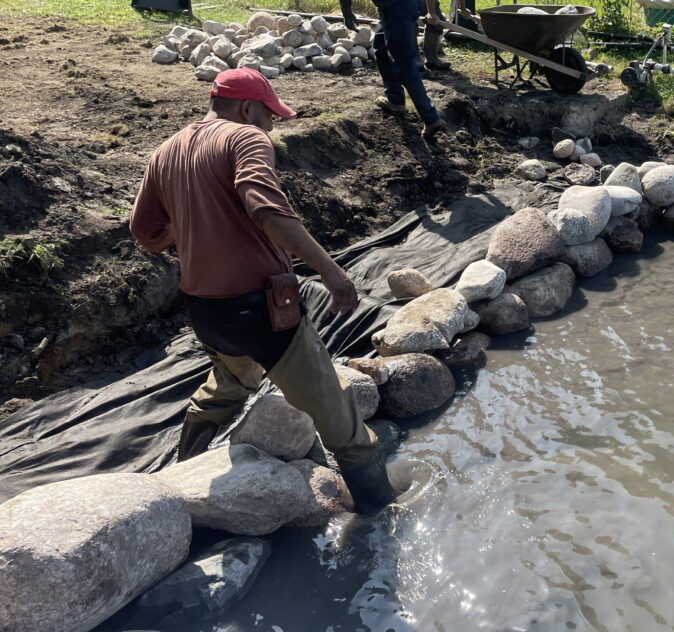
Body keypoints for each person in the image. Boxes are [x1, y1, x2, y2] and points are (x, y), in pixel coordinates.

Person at [129, 67, 400, 513]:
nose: (271, 126)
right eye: (269, 116)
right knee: (336, 410)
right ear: (247, 107)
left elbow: (145, 230)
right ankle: (382, 511)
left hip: (205, 312)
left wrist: (199, 227)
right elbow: (266, 209)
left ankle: (182, 479)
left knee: (231, 380)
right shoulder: (245, 138)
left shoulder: (166, 150)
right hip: (261, 311)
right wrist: (332, 272)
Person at [372, 0, 447, 141]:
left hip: (398, 9)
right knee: (380, 48)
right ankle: (395, 100)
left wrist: (432, 11)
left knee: (404, 64)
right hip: (392, 9)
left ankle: (431, 118)